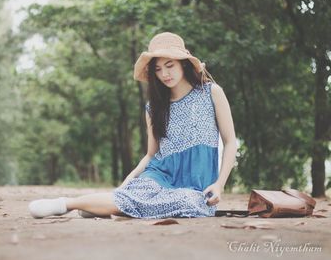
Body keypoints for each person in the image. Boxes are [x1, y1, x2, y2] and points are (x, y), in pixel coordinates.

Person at [28, 32, 237, 219]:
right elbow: (151, 154)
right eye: (158, 69)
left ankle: (106, 206)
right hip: (160, 174)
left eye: (170, 65)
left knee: (189, 203)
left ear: (183, 63)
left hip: (195, 183)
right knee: (134, 193)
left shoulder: (211, 92)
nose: (165, 74)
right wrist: (130, 178)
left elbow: (229, 142)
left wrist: (219, 185)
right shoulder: (154, 108)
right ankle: (66, 204)